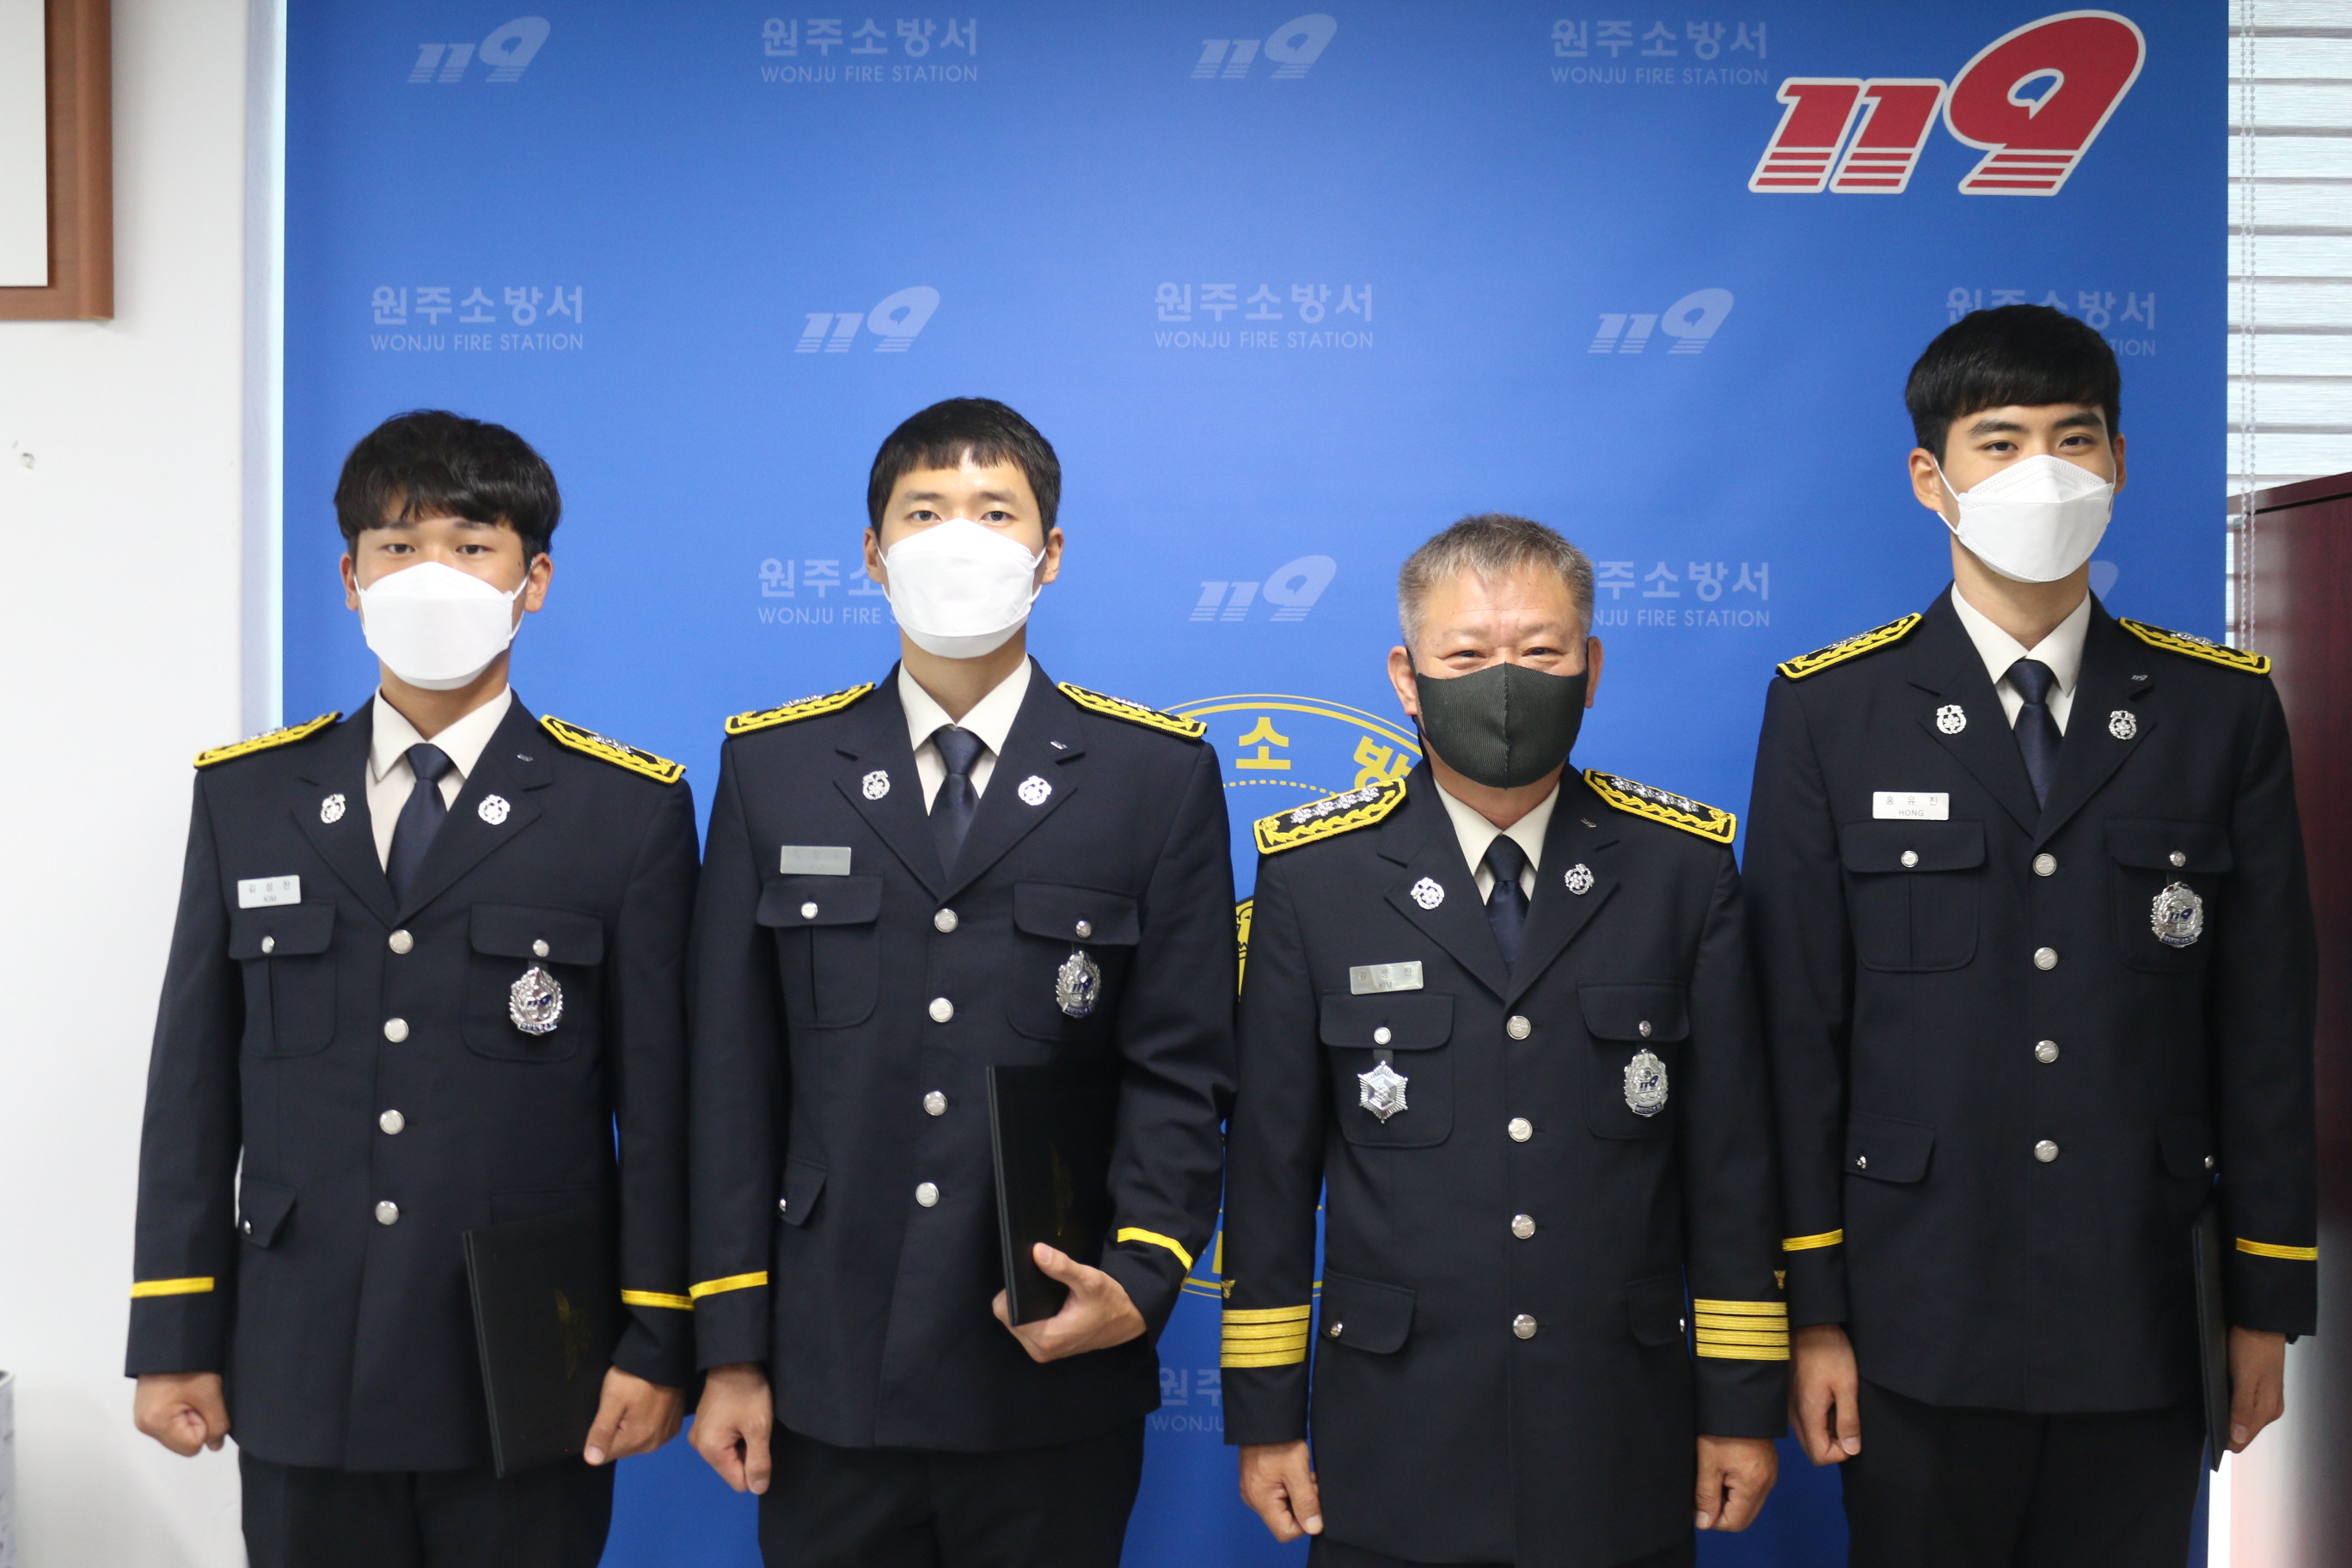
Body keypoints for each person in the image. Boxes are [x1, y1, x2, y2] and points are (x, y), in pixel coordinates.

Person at [1744, 304, 2318, 1567]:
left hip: (2144, 1311)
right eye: (1999, 442)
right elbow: (1793, 1038)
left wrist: (2265, 1300)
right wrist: (1814, 1313)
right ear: (1931, 477)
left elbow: (2266, 1027)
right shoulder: (1832, 713)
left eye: (2074, 438)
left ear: (2119, 463)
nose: (2041, 472)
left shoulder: (2218, 711)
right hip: (1914, 1313)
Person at [126, 410, 698, 1568]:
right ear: (350, 580)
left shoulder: (624, 811)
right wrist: (173, 1329)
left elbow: (667, 1113)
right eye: (397, 546)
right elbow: (193, 1091)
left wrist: (657, 1337)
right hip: (300, 1353)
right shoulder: (250, 798)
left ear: (534, 580)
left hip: (527, 1357)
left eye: (472, 545)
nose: (432, 573)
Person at [684, 397, 1236, 1568]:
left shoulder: (1152, 777)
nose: (959, 541)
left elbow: (1181, 1070)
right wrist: (730, 1346)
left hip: (1049, 1358)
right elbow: (731, 1082)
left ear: (1050, 552)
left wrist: (1141, 1276)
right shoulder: (776, 770)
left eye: (995, 512)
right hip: (829, 1366)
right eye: (925, 513)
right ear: (874, 553)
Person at [1222, 513, 1785, 1568]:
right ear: (1406, 676)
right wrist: (1265, 1416)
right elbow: (1269, 1176)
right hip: (1394, 1432)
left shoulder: (1682, 870)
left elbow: (1732, 1166)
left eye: (1540, 651)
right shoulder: (1315, 878)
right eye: (1468, 656)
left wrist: (1741, 1403)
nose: (1508, 683)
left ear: (1592, 668)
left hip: (1619, 1428)